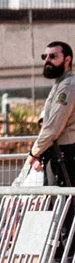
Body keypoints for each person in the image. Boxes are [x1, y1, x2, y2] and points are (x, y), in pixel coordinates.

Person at [29, 41, 75, 184]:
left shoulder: (67, 86)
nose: (47, 60)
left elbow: (53, 127)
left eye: (53, 56)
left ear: (67, 60)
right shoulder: (60, 84)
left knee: (62, 203)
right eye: (45, 56)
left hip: (65, 154)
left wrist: (34, 152)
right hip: (57, 153)